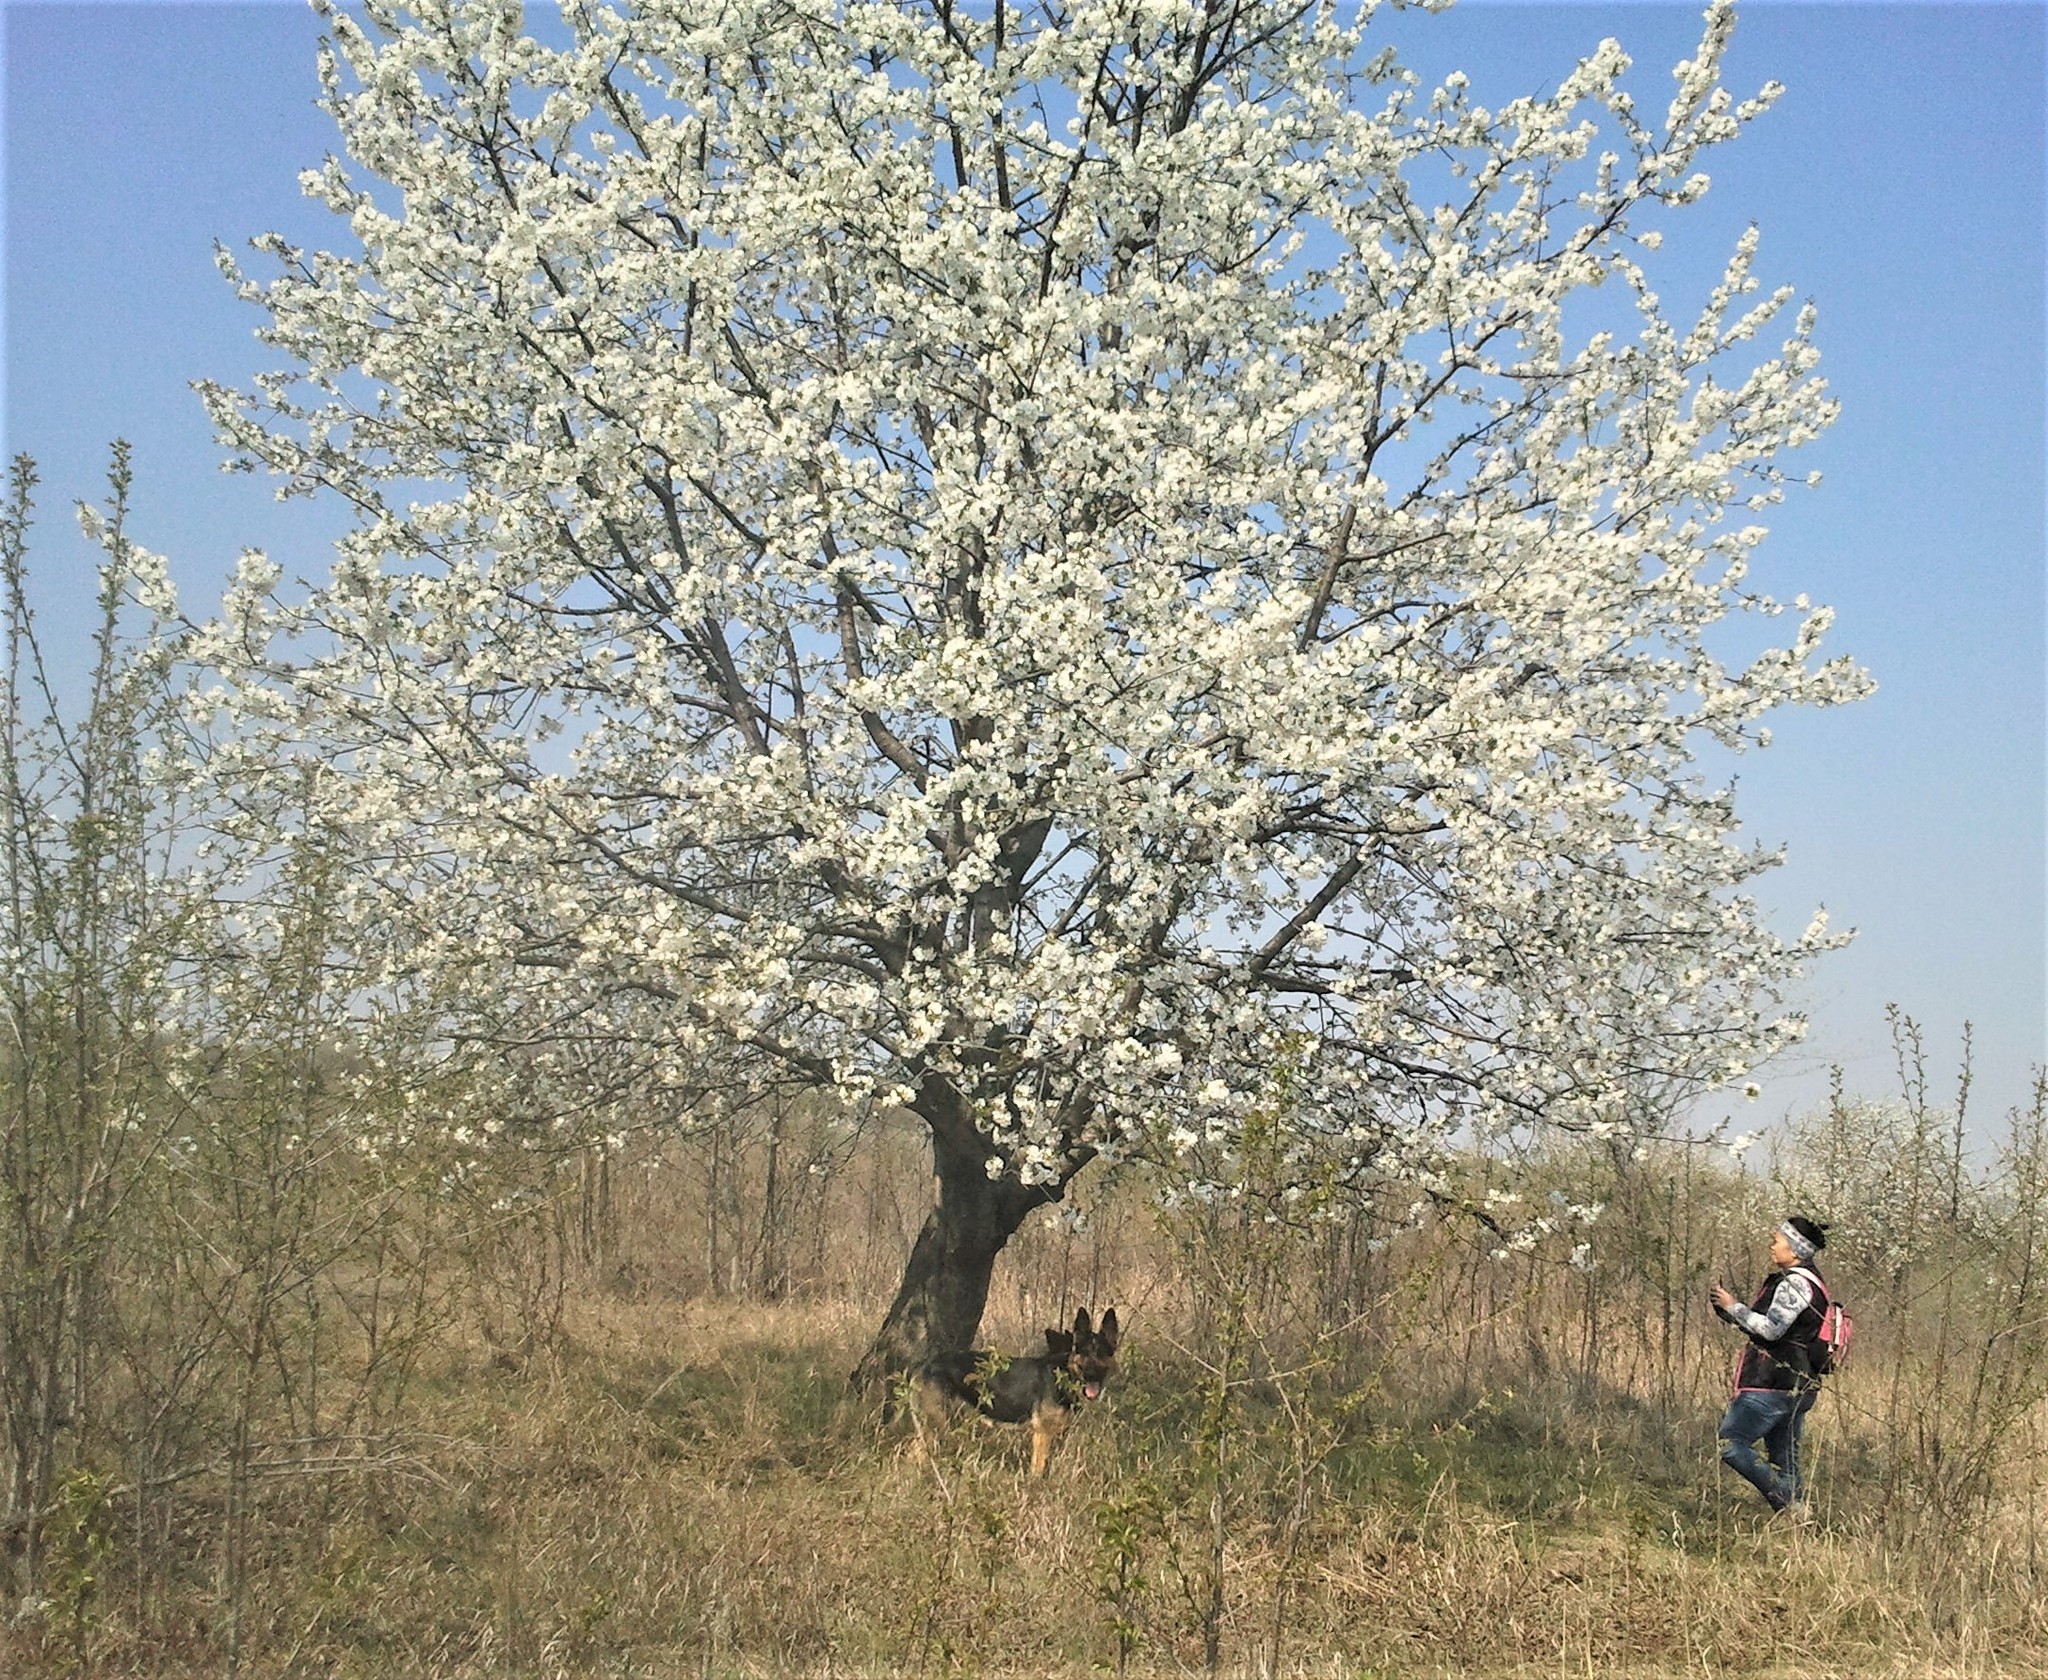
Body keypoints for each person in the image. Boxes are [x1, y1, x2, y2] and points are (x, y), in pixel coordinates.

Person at [1710, 1216, 1831, 1513]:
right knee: (1785, 1461)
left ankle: (1788, 1503)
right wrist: (1734, 1314)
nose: (1772, 1246)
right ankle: (1798, 1523)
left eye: (1777, 1241)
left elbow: (1771, 1329)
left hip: (1773, 1384)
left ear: (1795, 1250)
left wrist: (1732, 1307)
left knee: (1731, 1443)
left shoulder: (1796, 1284)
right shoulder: (1812, 1282)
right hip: (1799, 1385)